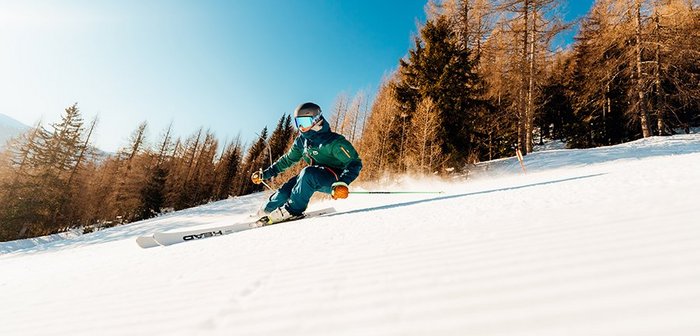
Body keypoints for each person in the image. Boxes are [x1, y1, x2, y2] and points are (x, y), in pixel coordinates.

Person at [251, 102, 363, 224]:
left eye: (305, 122)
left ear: (316, 120)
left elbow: (355, 162)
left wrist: (343, 182)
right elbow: (287, 160)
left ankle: (293, 211)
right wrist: (265, 174)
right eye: (298, 123)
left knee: (307, 173)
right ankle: (264, 211)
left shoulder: (334, 142)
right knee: (284, 192)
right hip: (311, 175)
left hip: (334, 179)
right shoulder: (301, 141)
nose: (301, 127)